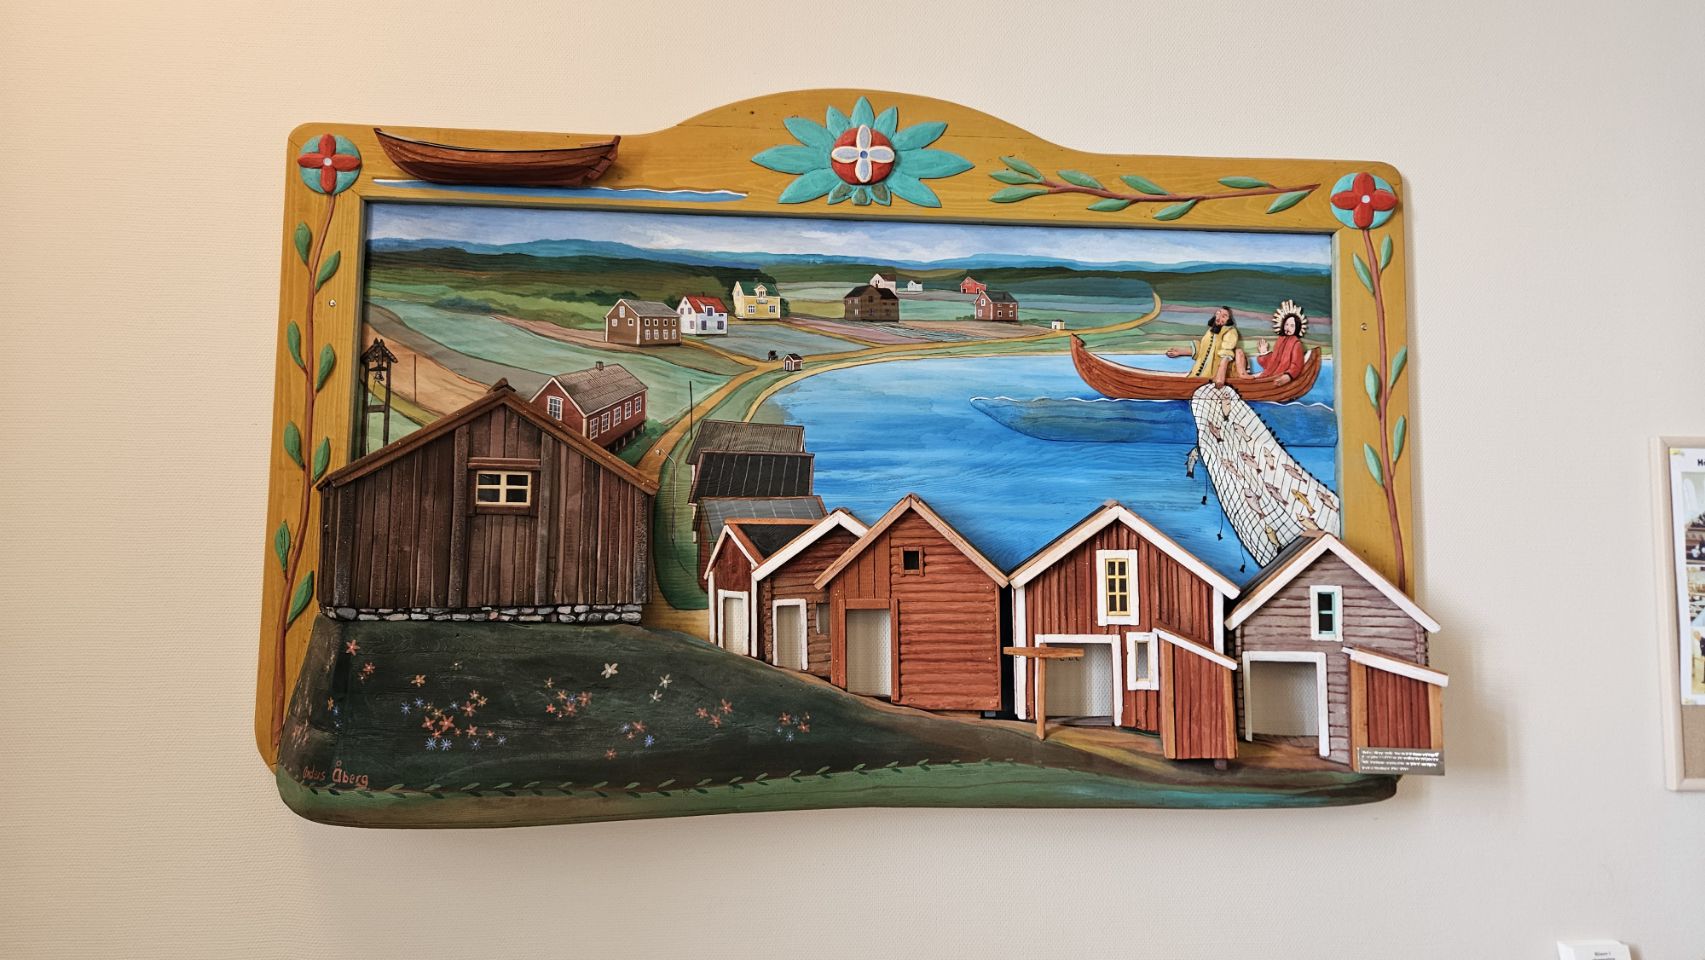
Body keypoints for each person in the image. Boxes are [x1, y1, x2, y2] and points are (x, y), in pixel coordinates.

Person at [1166, 306, 1239, 386]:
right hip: (1198, 374)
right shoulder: (1210, 332)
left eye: (1224, 316)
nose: (1219, 317)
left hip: (1215, 375)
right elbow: (1202, 350)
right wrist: (1180, 352)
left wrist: (1220, 377)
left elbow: (1226, 354)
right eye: (1218, 314)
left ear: (1228, 320)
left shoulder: (1230, 331)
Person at [1240, 299, 1308, 384]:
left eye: (1292, 325)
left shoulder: (1296, 344)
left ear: (1297, 327)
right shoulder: (1280, 340)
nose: (1288, 328)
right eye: (1286, 324)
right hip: (1270, 375)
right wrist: (1264, 353)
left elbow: (1296, 364)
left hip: (1280, 377)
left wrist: (1288, 376)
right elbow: (1273, 362)